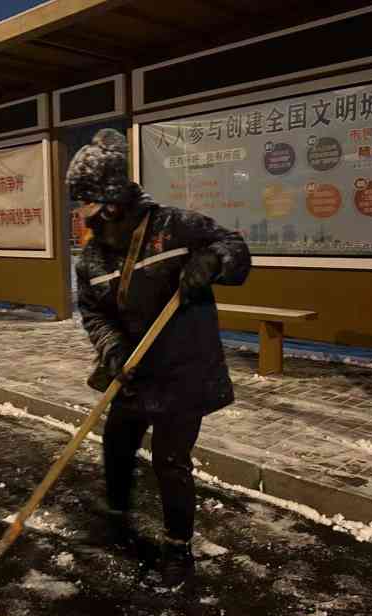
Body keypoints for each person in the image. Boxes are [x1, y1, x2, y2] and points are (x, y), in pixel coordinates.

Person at [67, 129, 251, 587]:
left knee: (170, 461)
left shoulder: (176, 227)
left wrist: (213, 262)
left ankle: (176, 549)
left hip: (184, 371)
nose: (85, 223)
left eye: (89, 211)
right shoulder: (91, 258)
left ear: (112, 203)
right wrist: (113, 349)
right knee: (116, 445)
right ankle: (117, 518)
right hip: (133, 372)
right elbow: (93, 312)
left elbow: (236, 249)